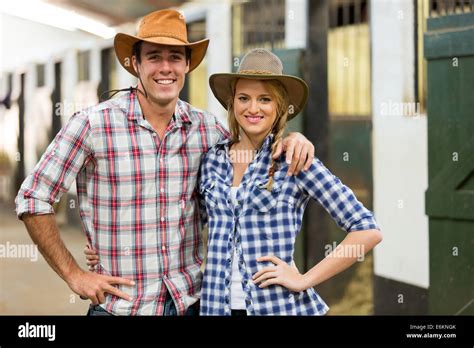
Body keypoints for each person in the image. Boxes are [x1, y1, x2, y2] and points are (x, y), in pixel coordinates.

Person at [15, 10, 315, 316]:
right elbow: (33, 197)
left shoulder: (207, 130)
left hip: (192, 305)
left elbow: (253, 150)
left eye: (175, 57)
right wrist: (74, 274)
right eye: (154, 56)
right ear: (136, 63)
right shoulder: (94, 125)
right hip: (121, 308)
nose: (165, 68)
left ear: (187, 65)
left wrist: (292, 138)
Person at [196, 48, 382, 315]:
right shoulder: (212, 159)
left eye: (265, 99)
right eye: (243, 98)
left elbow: (367, 230)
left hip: (276, 308)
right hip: (215, 307)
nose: (253, 108)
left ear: (280, 106)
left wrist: (304, 279)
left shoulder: (294, 159)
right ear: (232, 103)